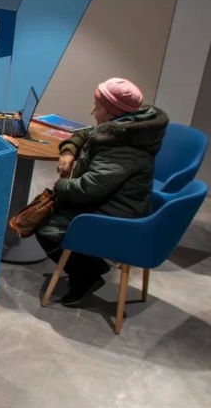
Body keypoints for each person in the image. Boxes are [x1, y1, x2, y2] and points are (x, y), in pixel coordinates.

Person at [36, 78, 169, 306]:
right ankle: (89, 264)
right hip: (114, 200)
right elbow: (88, 133)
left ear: (113, 111)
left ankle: (88, 275)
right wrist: (68, 151)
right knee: (51, 213)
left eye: (97, 107)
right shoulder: (127, 127)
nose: (92, 111)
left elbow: (87, 189)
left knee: (45, 228)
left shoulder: (124, 148)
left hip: (118, 214)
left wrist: (59, 186)